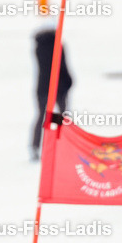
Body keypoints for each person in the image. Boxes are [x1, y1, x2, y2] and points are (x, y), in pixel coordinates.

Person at [31, 24, 73, 162]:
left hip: (42, 86)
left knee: (41, 116)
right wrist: (68, 81)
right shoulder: (57, 46)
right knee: (60, 116)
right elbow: (63, 65)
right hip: (58, 86)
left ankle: (35, 146)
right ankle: (61, 143)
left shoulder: (38, 47)